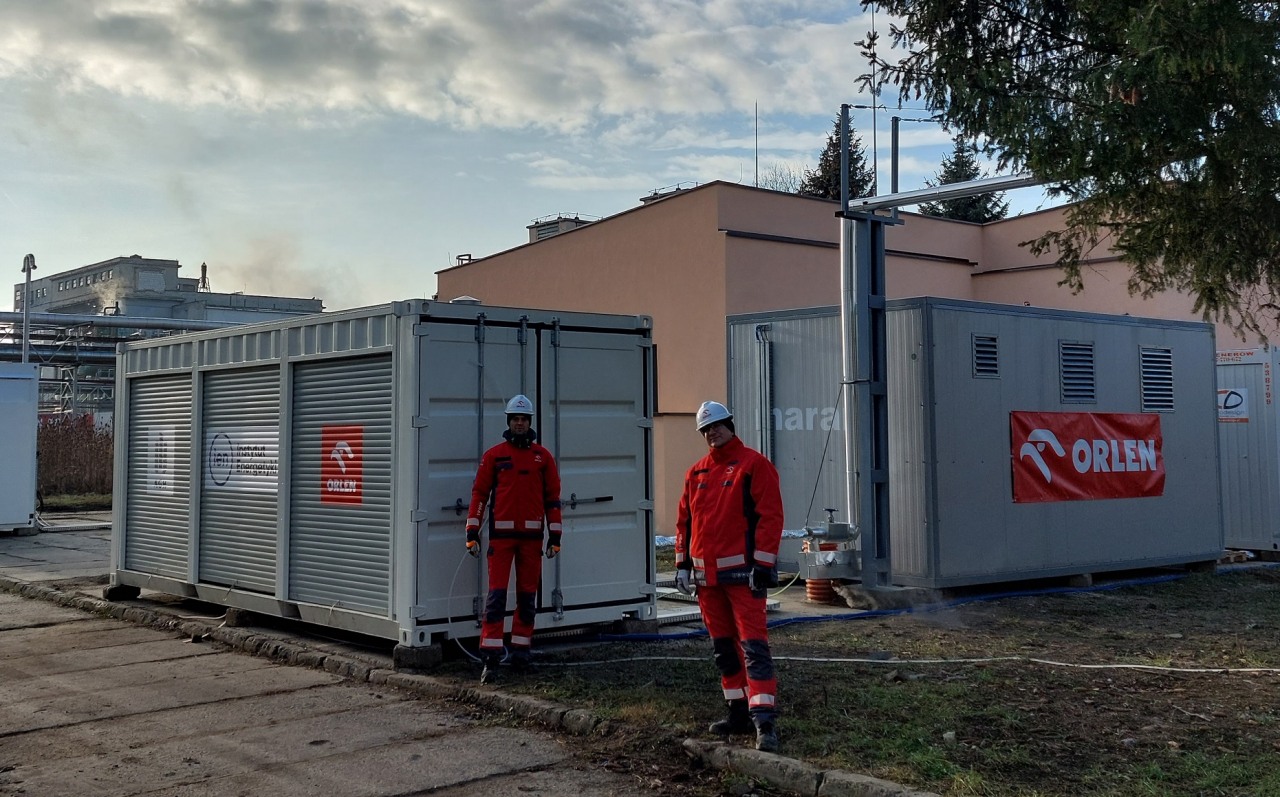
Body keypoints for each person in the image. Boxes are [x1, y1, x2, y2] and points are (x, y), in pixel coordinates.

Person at [675, 400, 784, 753]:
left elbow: (770, 516)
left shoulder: (754, 465)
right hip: (707, 582)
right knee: (724, 649)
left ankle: (764, 721)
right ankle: (737, 712)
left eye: (717, 425)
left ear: (731, 425)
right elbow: (684, 523)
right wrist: (681, 565)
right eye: (706, 429)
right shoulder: (695, 473)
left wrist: (763, 565)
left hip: (744, 577)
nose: (712, 432)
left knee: (753, 647)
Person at [466, 394, 563, 684]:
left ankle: (521, 653)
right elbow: (480, 494)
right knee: (496, 599)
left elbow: (553, 499)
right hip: (501, 539)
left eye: (524, 419)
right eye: (515, 419)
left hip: (532, 540)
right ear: (508, 422)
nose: (519, 423)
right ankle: (491, 659)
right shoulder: (494, 456)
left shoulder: (543, 458)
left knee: (527, 599)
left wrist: (555, 535)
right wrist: (472, 531)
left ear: (530, 422)